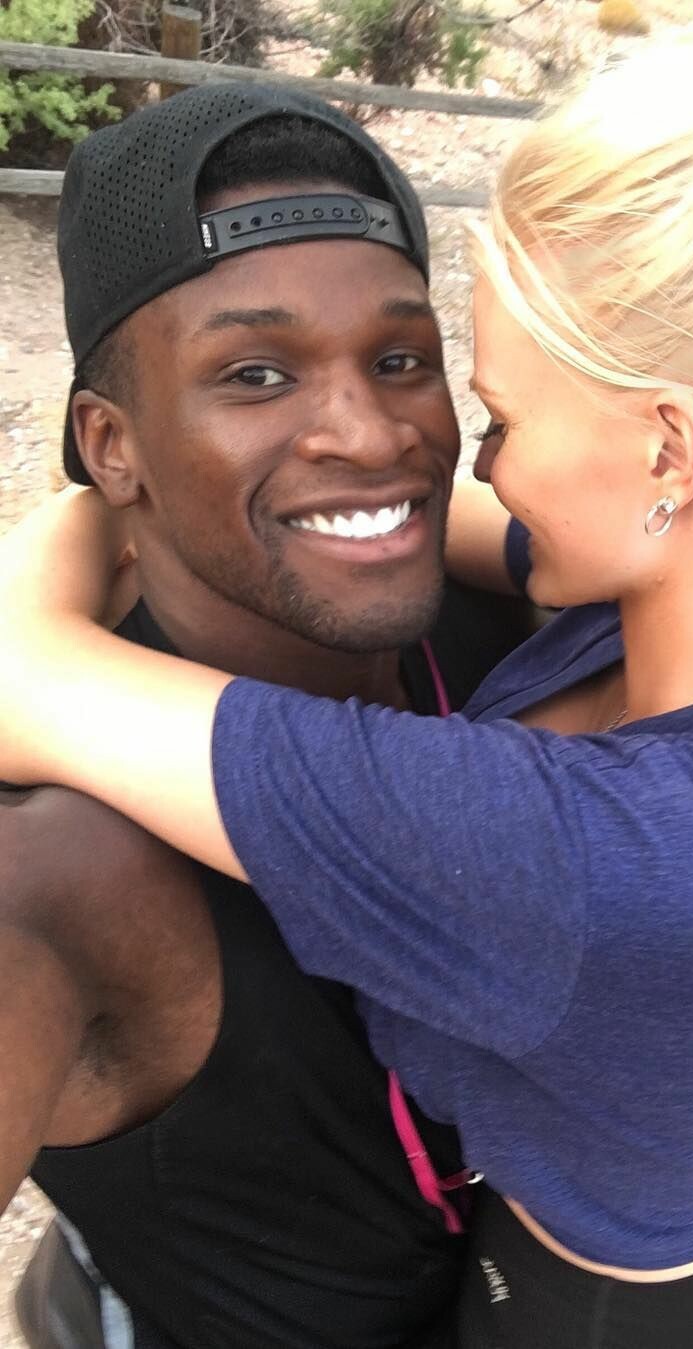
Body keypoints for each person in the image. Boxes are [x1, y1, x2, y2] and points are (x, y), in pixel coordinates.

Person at [0, 9, 693, 1347]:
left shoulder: (596, 859)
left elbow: (24, 676)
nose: (443, 458)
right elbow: (448, 523)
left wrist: (85, 515)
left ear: (669, 454)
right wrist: (126, 490)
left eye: (497, 413)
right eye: (256, 373)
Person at [0, 84, 537, 1349]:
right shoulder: (61, 865)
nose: (371, 432)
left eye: (401, 359)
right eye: (256, 373)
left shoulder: (505, 633)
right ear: (112, 444)